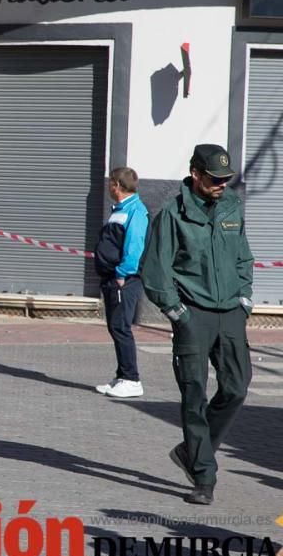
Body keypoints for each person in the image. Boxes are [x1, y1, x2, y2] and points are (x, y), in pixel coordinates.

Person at [140, 144, 253, 506]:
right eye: (214, 178)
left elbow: (244, 257)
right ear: (195, 174)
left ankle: (191, 451)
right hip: (193, 315)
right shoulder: (172, 214)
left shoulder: (231, 207)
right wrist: (179, 315)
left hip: (231, 314)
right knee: (193, 397)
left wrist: (245, 299)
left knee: (236, 388)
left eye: (225, 179)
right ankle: (204, 476)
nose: (221, 184)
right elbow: (156, 271)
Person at [94, 167, 149, 398]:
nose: (108, 187)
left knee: (121, 327)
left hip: (123, 280)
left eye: (110, 183)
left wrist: (121, 273)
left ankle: (132, 379)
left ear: (116, 185)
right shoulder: (120, 209)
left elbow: (134, 246)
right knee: (115, 327)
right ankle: (122, 376)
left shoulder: (135, 211)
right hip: (112, 278)